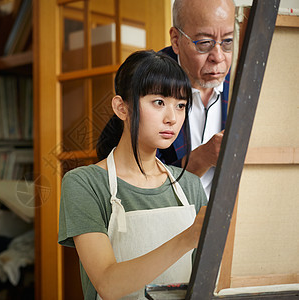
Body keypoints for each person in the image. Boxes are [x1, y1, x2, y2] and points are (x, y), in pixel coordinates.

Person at [59, 50, 207, 300]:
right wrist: (188, 238)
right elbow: (108, 284)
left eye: (180, 105)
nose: (172, 118)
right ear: (121, 107)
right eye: (159, 102)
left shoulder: (190, 185)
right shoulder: (85, 184)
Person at [158, 0, 235, 198]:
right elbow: (140, 187)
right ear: (176, 40)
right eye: (204, 43)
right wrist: (202, 158)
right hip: (172, 223)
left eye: (227, 41)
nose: (218, 57)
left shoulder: (245, 82)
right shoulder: (147, 82)